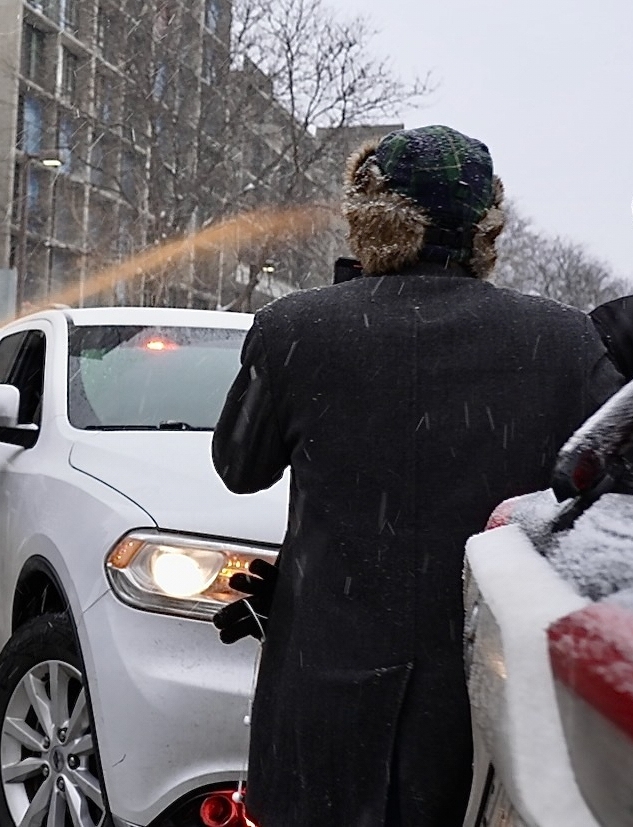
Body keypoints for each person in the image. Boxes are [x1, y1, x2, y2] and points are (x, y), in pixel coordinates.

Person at [211, 125, 623, 827]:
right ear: (484, 230)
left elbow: (239, 466)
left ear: (370, 219)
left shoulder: (294, 329)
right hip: (476, 712)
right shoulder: (563, 340)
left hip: (322, 701)